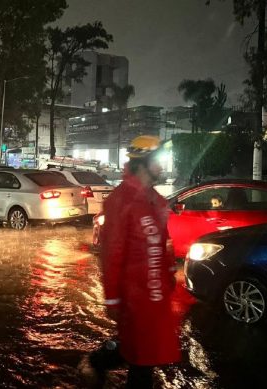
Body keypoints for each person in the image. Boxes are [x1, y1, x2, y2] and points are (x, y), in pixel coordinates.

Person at [97, 135, 181, 388]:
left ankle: (100, 361)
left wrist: (169, 274)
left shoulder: (156, 200)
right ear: (142, 163)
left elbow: (164, 243)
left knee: (144, 352)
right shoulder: (120, 200)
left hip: (155, 295)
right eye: (157, 161)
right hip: (134, 297)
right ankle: (99, 362)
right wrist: (112, 297)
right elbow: (112, 253)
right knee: (142, 361)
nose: (162, 166)